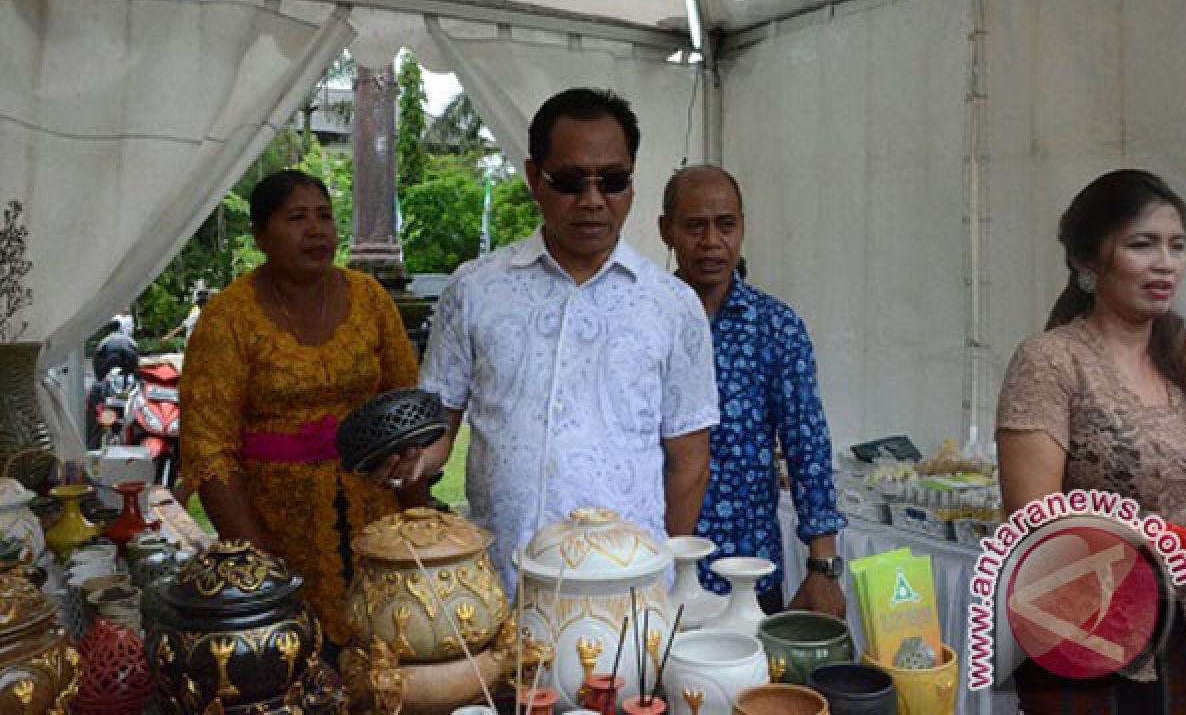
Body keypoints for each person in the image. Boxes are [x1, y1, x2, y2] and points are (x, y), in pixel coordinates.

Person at [416, 88, 720, 593]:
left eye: (613, 181)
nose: (593, 201)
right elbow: (435, 432)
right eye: (571, 182)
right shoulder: (474, 289)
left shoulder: (672, 305)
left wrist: (653, 574)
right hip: (496, 587)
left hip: (624, 597)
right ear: (535, 178)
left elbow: (690, 460)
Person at [179, 169, 420, 648]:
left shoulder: (371, 299)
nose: (317, 230)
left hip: (374, 512)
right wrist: (260, 564)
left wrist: (416, 526)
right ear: (261, 235)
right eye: (296, 218)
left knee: (390, 648)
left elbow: (405, 412)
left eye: (325, 217)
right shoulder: (228, 318)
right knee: (298, 658)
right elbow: (209, 450)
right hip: (273, 522)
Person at [996, 169, 1186, 712]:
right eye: (1142, 244)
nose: (1165, 262)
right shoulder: (1051, 362)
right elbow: (1035, 518)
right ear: (1088, 261)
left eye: (1176, 246)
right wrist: (1184, 541)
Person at [658, 165, 846, 617]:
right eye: (694, 226)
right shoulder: (643, 321)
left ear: (742, 227)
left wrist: (823, 567)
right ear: (666, 231)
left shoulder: (776, 326)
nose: (711, 242)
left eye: (725, 225)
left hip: (748, 574)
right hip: (655, 569)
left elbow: (808, 447)